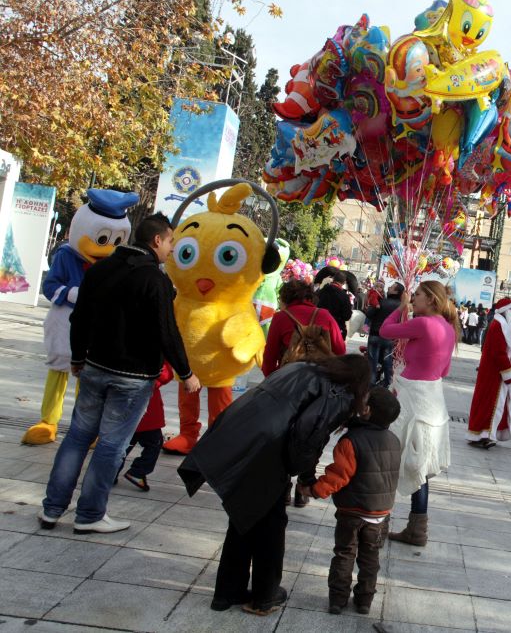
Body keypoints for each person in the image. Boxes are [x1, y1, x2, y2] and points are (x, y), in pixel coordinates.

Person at [39, 214, 201, 534]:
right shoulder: (155, 281)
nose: (171, 249)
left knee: (76, 437)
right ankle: (89, 514)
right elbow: (167, 331)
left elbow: (80, 318)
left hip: (94, 367)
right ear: (157, 241)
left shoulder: (101, 270)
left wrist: (77, 357)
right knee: (111, 445)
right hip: (133, 377)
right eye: (170, 242)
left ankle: (52, 509)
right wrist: (186, 372)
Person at [178, 355, 369, 615]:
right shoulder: (339, 394)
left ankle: (227, 592)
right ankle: (265, 596)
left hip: (240, 429)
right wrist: (305, 477)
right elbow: (309, 435)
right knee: (271, 523)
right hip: (267, 447)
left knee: (243, 516)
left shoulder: (303, 367)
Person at [301, 387, 402, 616]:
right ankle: (364, 601)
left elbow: (338, 477)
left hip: (352, 512)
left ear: (365, 410)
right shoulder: (394, 441)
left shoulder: (351, 441)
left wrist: (313, 490)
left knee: (344, 553)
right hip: (380, 513)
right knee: (370, 558)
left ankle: (337, 599)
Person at [381, 281, 460, 547]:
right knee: (420, 466)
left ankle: (379, 524)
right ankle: (417, 529)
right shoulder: (448, 328)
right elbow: (445, 370)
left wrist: (400, 308)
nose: (412, 299)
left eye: (416, 295)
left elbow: (385, 330)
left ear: (432, 299)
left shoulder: (423, 324)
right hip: (433, 400)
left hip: (411, 396)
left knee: (392, 456)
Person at [467, 297, 511, 447]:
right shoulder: (498, 326)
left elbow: (506, 349)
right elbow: (498, 353)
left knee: (493, 403)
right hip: (494, 372)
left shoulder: (502, 324)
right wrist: (508, 372)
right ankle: (484, 435)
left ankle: (486, 434)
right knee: (491, 403)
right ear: (506, 311)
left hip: (494, 370)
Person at [261, 280, 345, 377]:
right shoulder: (325, 315)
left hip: (289, 377)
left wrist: (273, 379)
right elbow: (340, 350)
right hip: (320, 377)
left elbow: (269, 357)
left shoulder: (280, 317)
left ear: (284, 299)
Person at [115, 362, 173, 492]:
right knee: (154, 443)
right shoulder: (154, 348)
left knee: (123, 444)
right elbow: (166, 374)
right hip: (146, 411)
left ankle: (109, 472)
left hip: (123, 405)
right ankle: (137, 472)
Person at [365, 282, 403, 386]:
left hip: (375, 335)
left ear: (396, 291)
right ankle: (388, 382)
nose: (388, 288)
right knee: (388, 361)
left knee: (372, 362)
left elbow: (368, 314)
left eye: (391, 287)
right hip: (390, 338)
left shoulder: (381, 301)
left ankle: (371, 384)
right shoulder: (401, 306)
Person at [316, 270, 353, 340]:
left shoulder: (321, 292)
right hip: (335, 330)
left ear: (333, 279)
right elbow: (347, 316)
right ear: (344, 282)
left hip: (319, 328)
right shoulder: (344, 296)